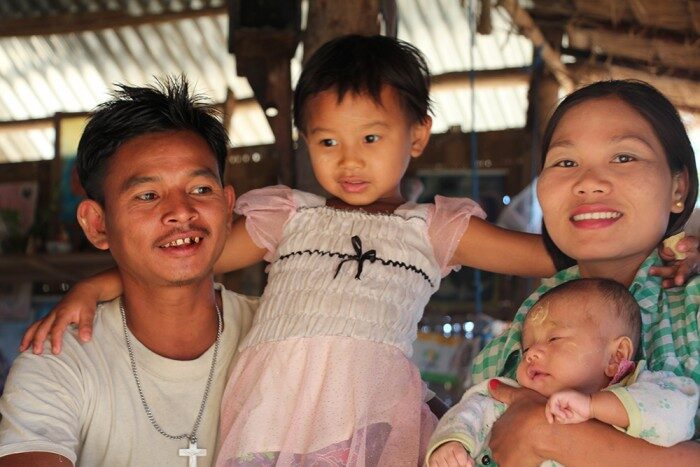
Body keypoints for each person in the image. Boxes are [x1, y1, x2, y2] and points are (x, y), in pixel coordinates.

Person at [16, 41, 699, 465]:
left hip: (372, 404)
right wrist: (95, 285)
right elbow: (183, 256)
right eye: (327, 141)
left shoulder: (433, 229)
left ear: (419, 135)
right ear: (304, 139)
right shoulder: (288, 217)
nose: (348, 160)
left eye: (372, 138)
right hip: (276, 404)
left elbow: (551, 250)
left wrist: (684, 239)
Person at [0, 77, 258, 467]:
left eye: (201, 190)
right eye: (148, 195)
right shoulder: (60, 360)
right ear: (97, 224)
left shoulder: (278, 333)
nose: (182, 211)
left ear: (227, 207)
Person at [470, 80, 700, 465]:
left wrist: (547, 436)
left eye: (624, 157)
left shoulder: (691, 309)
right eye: (565, 162)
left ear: (679, 186)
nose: (588, 182)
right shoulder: (528, 323)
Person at [427, 278, 698, 467]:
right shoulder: (506, 399)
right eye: (528, 347)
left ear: (616, 357)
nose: (532, 353)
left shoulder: (644, 390)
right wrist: (451, 446)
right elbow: (467, 413)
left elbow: (674, 417)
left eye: (554, 340)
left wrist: (595, 406)